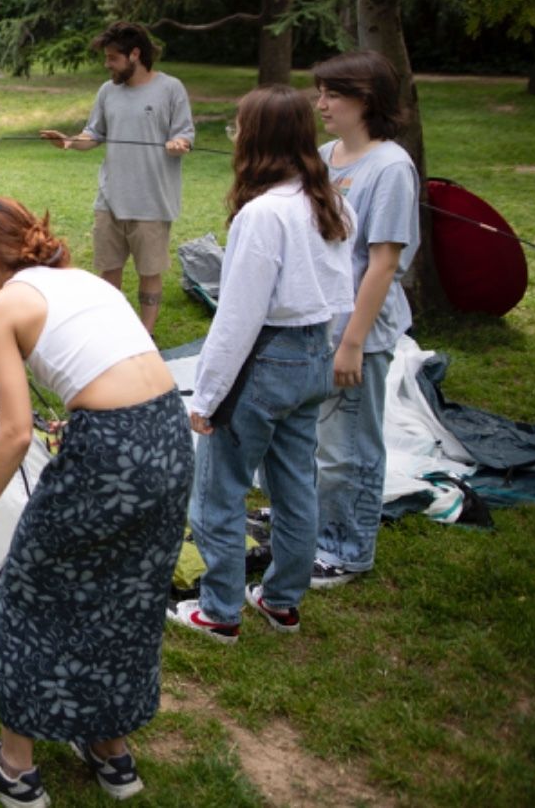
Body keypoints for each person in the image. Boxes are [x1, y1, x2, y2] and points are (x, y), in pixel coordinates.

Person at [0, 198, 191, 804]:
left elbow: (14, 431)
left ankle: (14, 769)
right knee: (125, 591)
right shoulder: (79, 280)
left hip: (110, 451)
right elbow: (108, 368)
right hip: (170, 435)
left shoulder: (0, 308)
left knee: (28, 591)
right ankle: (112, 752)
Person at [168, 85, 355, 645]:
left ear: (257, 138)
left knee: (218, 489)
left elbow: (238, 318)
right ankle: (281, 602)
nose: (232, 138)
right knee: (296, 484)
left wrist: (206, 397)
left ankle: (220, 611)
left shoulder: (264, 214)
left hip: (265, 360)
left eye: (238, 128)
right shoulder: (329, 200)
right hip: (313, 355)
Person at [310, 51, 419, 588]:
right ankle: (315, 527)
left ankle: (347, 550)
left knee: (349, 446)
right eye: (320, 92)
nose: (321, 103)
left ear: (367, 100)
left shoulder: (391, 167)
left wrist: (351, 342)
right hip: (318, 325)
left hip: (358, 334)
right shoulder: (326, 155)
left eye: (333, 94)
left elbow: (384, 263)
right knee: (318, 440)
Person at [41, 21, 194, 335]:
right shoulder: (107, 92)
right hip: (109, 200)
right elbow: (94, 134)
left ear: (135, 55)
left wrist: (179, 144)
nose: (107, 64)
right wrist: (70, 142)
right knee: (108, 270)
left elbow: (184, 135)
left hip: (152, 201)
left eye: (113, 58)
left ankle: (145, 334)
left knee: (149, 273)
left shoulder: (171, 88)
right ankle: (113, 332)